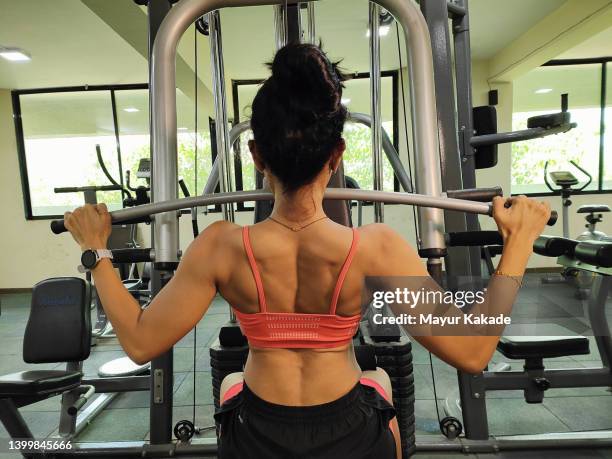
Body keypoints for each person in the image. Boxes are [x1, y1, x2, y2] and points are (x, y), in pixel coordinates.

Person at [63, 43, 551, 459]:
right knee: (384, 403)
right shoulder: (374, 247)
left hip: (256, 434)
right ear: (336, 156)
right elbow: (472, 349)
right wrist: (519, 242)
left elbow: (141, 342)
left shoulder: (220, 245)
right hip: (349, 433)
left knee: (234, 389)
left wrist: (97, 251)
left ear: (256, 156)